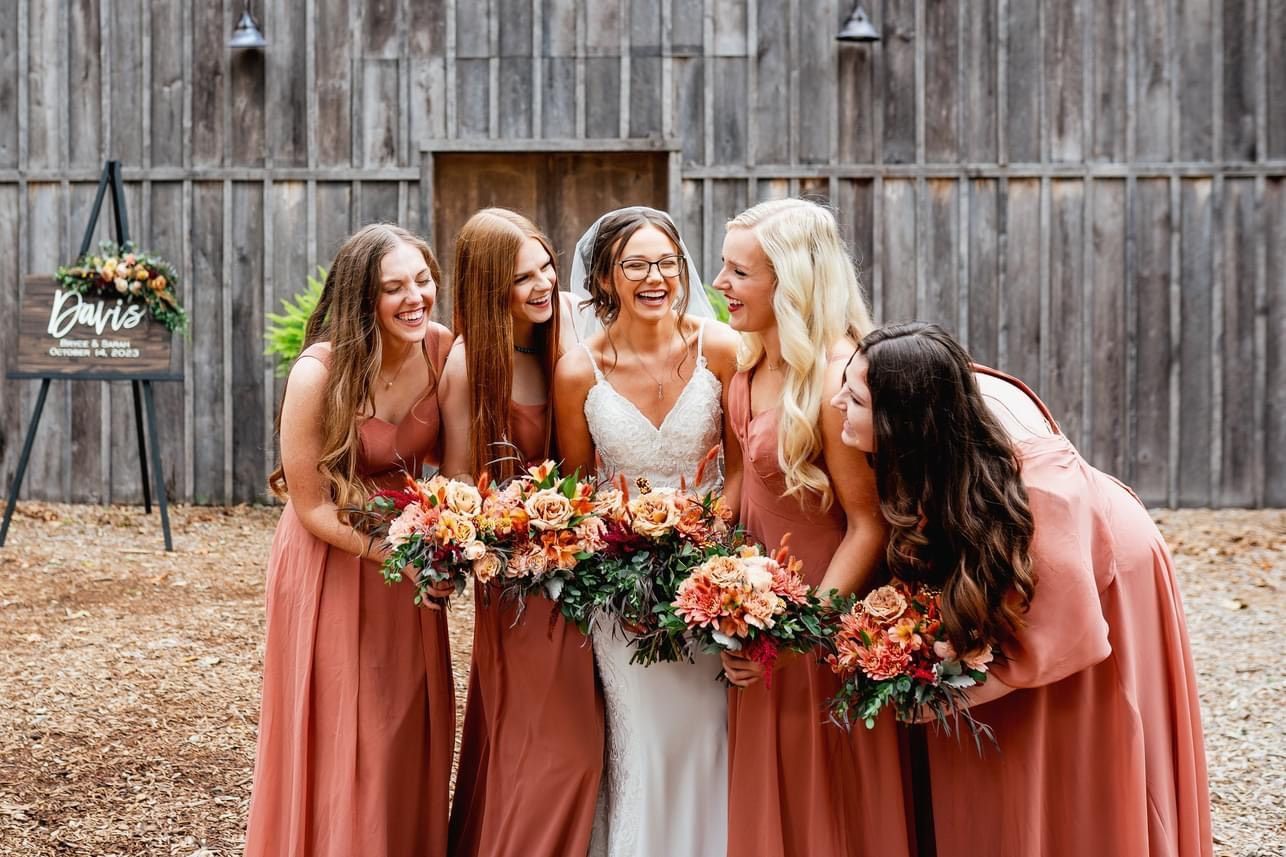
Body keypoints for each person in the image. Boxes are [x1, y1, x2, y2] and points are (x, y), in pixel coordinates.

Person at [832, 321, 1212, 857]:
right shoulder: (932, 445)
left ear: (902, 419)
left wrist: (951, 695)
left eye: (854, 398)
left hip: (1105, 577)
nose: (835, 402)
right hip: (1045, 570)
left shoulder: (1039, 497)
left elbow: (1065, 629)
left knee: (1083, 742)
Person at [710, 198, 915, 857]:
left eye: (739, 273)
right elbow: (739, 495)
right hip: (759, 618)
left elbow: (867, 526)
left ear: (789, 282)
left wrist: (802, 635)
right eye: (723, 267)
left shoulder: (836, 381)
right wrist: (717, 592)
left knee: (825, 794)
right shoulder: (748, 368)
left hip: (823, 626)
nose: (720, 284)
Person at [245, 224, 456, 856]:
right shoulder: (320, 372)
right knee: (342, 721)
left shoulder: (444, 352)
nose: (414, 297)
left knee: (400, 724)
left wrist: (447, 540)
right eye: (394, 288)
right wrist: (401, 555)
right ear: (362, 300)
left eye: (422, 280)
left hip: (410, 554)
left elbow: (461, 466)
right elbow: (309, 506)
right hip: (333, 554)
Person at [553, 206, 740, 857]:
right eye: (636, 263)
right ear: (606, 276)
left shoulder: (718, 347)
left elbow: (740, 473)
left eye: (666, 261)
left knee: (711, 733)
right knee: (650, 740)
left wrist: (713, 550)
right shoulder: (580, 370)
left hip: (715, 578)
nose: (654, 275)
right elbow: (577, 493)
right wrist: (619, 561)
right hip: (621, 588)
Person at [440, 208, 605, 857]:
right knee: (562, 753)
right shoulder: (467, 364)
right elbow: (458, 490)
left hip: (577, 567)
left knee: (563, 746)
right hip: (512, 580)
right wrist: (512, 519)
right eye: (522, 277)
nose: (543, 285)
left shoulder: (557, 340)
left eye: (546, 267)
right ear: (488, 287)